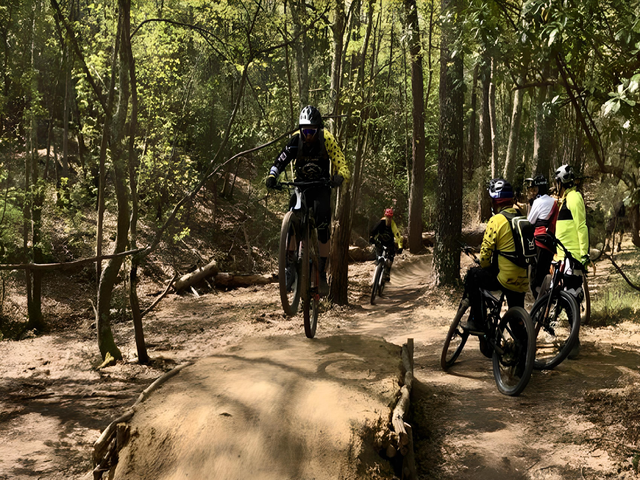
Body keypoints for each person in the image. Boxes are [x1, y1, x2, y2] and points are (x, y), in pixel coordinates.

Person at [266, 105, 350, 295]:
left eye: (312, 131)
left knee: (322, 222)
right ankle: (289, 266)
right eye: (305, 131)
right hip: (301, 186)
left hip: (321, 186)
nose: (308, 135)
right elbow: (280, 160)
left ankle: (322, 270)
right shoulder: (296, 139)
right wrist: (272, 175)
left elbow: (342, 163)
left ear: (318, 129)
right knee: (291, 219)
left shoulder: (326, 139)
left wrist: (340, 176)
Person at [464, 179, 530, 333]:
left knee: (473, 275)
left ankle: (477, 321)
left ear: (495, 202)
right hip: (522, 278)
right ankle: (523, 345)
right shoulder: (522, 217)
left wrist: (484, 265)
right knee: (516, 320)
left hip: (504, 279)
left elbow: (485, 258)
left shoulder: (496, 220)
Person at [554, 164, 589, 356]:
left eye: (557, 182)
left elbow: (581, 226)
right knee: (565, 296)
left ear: (562, 182)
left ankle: (574, 344)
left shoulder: (574, 198)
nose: (556, 186)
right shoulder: (566, 198)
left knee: (571, 297)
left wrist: (583, 255)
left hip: (572, 257)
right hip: (563, 256)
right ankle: (571, 340)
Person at [525, 174, 559, 299]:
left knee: (535, 281)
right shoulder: (554, 202)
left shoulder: (538, 202)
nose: (533, 192)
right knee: (545, 274)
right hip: (550, 243)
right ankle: (547, 302)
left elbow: (530, 221)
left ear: (539, 189)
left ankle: (539, 304)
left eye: (535, 189)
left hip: (539, 243)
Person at [369, 208, 404, 282]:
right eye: (387, 217)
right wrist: (371, 238)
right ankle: (377, 270)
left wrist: (400, 247)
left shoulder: (393, 224)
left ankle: (387, 272)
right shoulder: (381, 222)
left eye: (390, 217)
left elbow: (398, 236)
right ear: (385, 216)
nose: (389, 219)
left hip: (389, 243)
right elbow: (373, 230)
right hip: (380, 242)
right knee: (378, 255)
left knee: (390, 258)